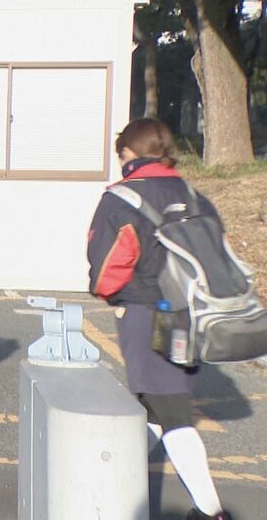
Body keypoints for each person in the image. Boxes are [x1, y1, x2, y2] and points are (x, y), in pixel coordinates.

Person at [86, 118, 232, 520]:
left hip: (146, 313)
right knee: (152, 405)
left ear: (129, 154)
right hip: (191, 313)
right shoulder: (192, 193)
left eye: (121, 155)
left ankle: (211, 511)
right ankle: (113, 486)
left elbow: (108, 266)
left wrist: (109, 293)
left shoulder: (122, 199)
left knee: (171, 413)